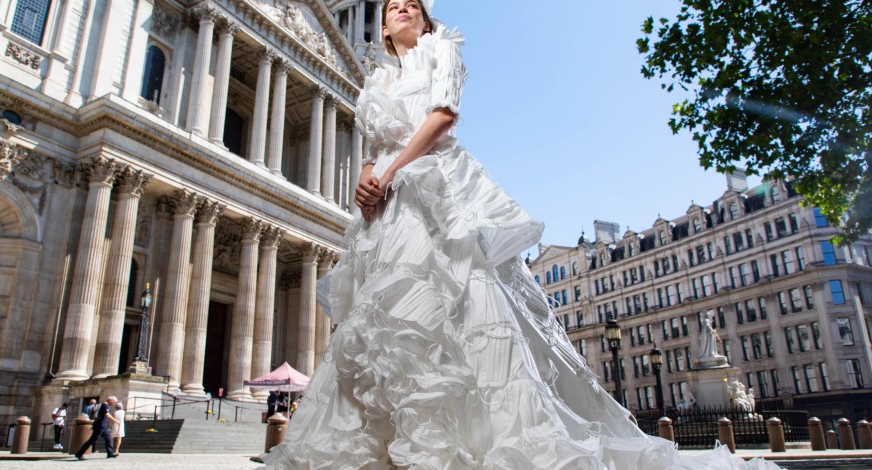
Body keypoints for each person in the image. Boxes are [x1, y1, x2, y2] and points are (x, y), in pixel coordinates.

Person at [263, 1, 780, 468]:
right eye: (392, 5)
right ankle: (396, 445)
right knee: (386, 327)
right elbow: (371, 146)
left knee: (460, 309)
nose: (399, 8)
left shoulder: (442, 51)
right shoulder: (374, 82)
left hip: (435, 194)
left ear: (425, 18)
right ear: (381, 25)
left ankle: (474, 443)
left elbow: (443, 116)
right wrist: (366, 182)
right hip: (387, 211)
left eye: (411, 5)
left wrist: (392, 170)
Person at [74, 396, 119, 460]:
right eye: (114, 402)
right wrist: (115, 420)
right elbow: (107, 415)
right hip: (100, 426)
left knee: (109, 439)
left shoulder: (104, 405)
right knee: (91, 440)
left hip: (104, 426)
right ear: (110, 401)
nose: (114, 403)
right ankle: (79, 454)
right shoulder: (105, 405)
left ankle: (110, 453)